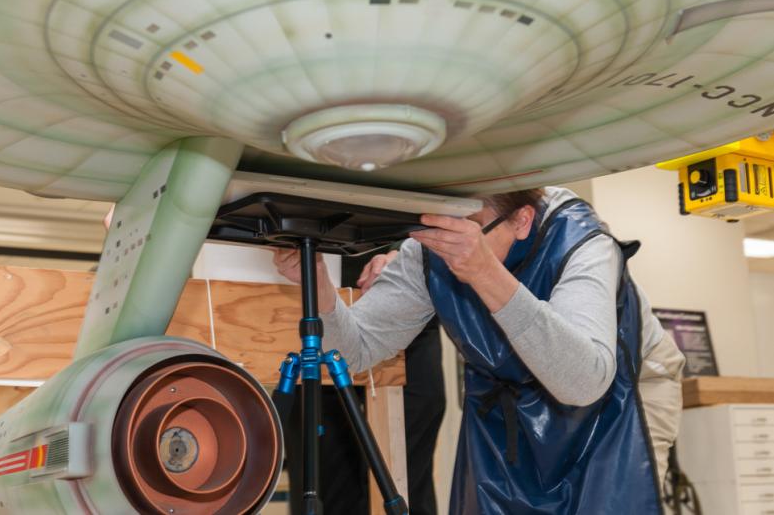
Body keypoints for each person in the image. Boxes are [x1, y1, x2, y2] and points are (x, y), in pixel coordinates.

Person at [274, 187, 685, 514]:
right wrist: (320, 287)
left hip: (620, 394)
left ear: (522, 220)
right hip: (511, 389)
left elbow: (583, 382)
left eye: (467, 231)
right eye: (440, 229)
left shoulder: (584, 245)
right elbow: (357, 350)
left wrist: (485, 272)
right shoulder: (430, 249)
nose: (447, 246)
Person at [285, 250, 446, 515]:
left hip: (402, 290)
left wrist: (405, 251)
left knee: (407, 475)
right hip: (312, 295)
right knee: (326, 478)